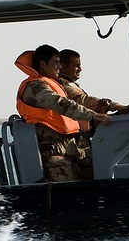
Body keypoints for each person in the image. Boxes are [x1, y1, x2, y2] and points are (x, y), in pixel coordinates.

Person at [15, 44, 113, 182]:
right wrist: (93, 115)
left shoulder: (53, 84)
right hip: (55, 152)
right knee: (68, 192)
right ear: (43, 64)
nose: (60, 67)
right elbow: (61, 104)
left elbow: (80, 99)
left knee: (103, 172)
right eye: (56, 63)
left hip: (72, 148)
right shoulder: (35, 87)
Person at [57, 49, 129, 117]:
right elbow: (83, 100)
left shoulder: (72, 84)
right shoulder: (62, 85)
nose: (80, 69)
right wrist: (115, 106)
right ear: (63, 66)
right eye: (76, 66)